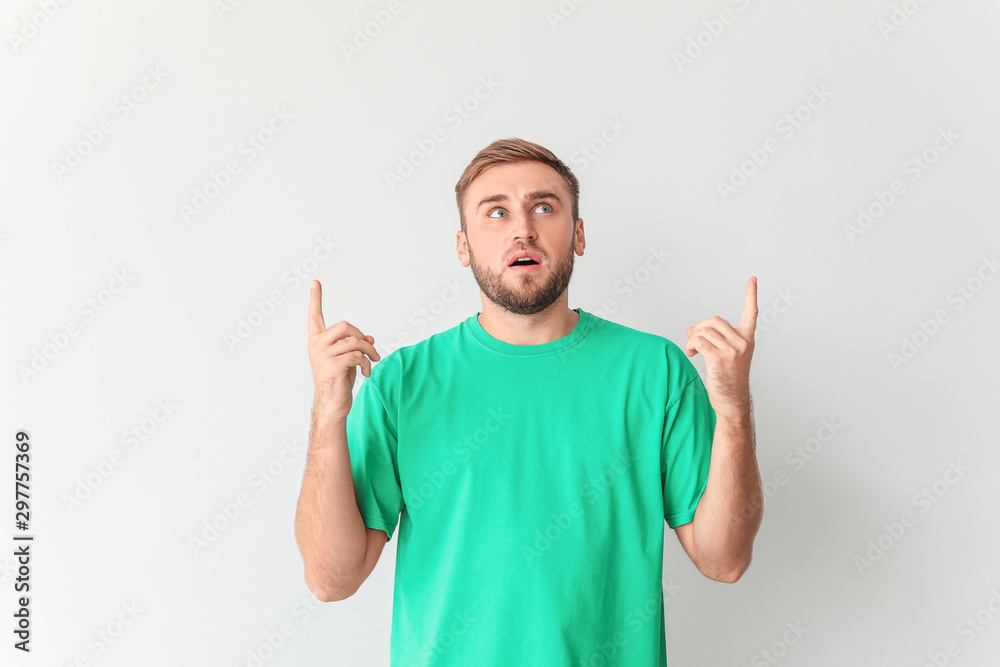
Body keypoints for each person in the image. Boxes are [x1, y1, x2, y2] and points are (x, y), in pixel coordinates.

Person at [294, 137, 764, 666]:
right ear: (463, 246)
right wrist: (328, 414)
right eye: (496, 212)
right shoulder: (402, 381)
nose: (523, 228)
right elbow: (332, 579)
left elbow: (724, 560)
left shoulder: (655, 371)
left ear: (578, 234)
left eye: (544, 206)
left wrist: (734, 408)